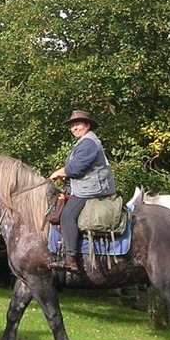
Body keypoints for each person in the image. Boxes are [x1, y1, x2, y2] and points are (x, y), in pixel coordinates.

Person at [47, 110, 116, 271]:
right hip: (85, 186)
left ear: (87, 125)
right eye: (72, 126)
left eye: (77, 124)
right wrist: (64, 176)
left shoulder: (88, 143)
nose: (74, 128)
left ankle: (70, 259)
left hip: (92, 189)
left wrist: (58, 172)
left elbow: (76, 168)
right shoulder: (84, 142)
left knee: (67, 215)